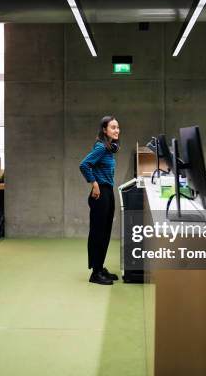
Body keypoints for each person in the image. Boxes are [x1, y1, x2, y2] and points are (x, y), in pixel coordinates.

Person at [79, 116, 120, 285]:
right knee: (98, 233)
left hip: (108, 192)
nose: (116, 130)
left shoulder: (109, 148)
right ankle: (95, 273)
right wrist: (94, 183)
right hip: (100, 193)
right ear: (104, 130)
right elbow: (84, 164)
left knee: (105, 233)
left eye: (117, 127)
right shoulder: (101, 148)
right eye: (112, 127)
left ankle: (100, 267)